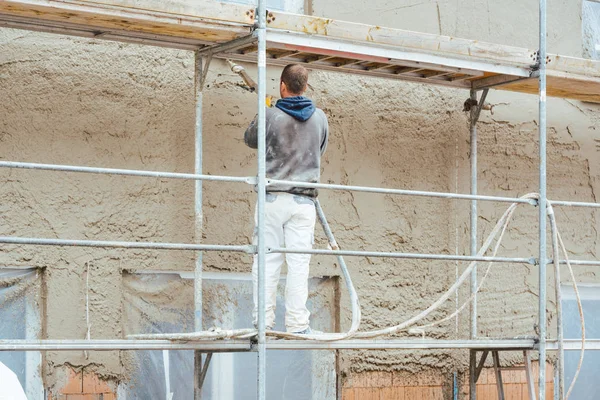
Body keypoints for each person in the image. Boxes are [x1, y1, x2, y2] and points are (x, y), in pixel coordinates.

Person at [244, 64, 329, 334]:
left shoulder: (271, 115)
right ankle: (297, 324)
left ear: (283, 85)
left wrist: (264, 109)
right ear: (304, 87)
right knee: (299, 266)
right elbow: (319, 150)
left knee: (267, 263)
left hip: (272, 199)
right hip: (304, 203)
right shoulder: (320, 119)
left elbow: (250, 139)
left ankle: (263, 324)